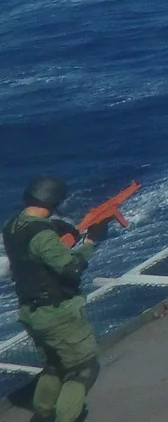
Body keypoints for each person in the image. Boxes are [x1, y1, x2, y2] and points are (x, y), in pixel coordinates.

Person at [4, 177, 113, 422]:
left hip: (31, 312)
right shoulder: (42, 235)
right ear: (53, 202)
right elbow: (70, 268)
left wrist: (64, 236)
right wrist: (90, 242)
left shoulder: (12, 226)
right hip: (58, 313)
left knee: (55, 365)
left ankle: (42, 415)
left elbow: (34, 254)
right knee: (83, 368)